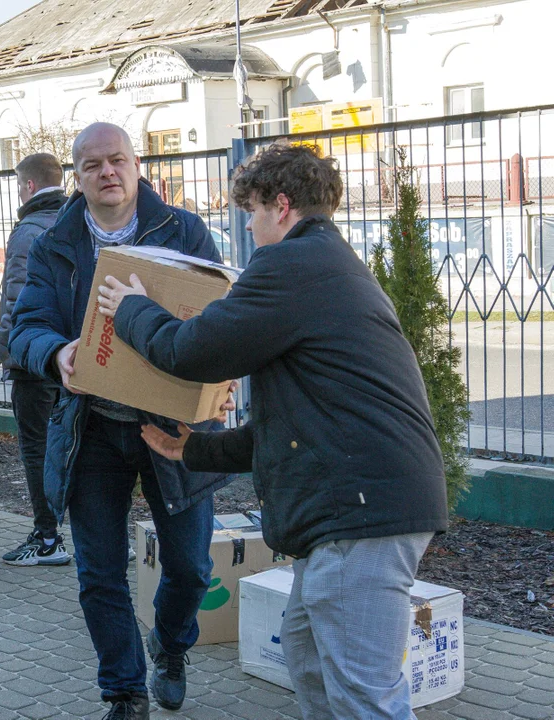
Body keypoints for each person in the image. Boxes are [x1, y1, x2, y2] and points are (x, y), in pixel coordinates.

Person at [98, 143, 448, 720]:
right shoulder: (323, 266)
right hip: (354, 508)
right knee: (309, 663)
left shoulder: (293, 265)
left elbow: (193, 351)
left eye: (254, 213)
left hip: (359, 515)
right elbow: (289, 427)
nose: (251, 229)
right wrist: (193, 448)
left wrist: (131, 308)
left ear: (281, 206)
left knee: (365, 696)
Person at [8, 123, 233, 720]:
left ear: (137, 165)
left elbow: (221, 317)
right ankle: (125, 692)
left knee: (190, 566)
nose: (107, 172)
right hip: (93, 428)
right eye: (92, 165)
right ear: (76, 177)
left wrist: (225, 380)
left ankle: (171, 645)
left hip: (175, 429)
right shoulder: (56, 242)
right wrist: (56, 354)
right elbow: (24, 327)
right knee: (99, 572)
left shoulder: (181, 230)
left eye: (117, 160)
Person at [0, 153, 70, 567]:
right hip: (79, 356)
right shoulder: (80, 223)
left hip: (35, 357)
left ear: (28, 186)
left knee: (37, 448)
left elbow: (17, 306)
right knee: (83, 449)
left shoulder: (28, 231)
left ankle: (47, 538)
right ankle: (97, 536)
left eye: (18, 185)